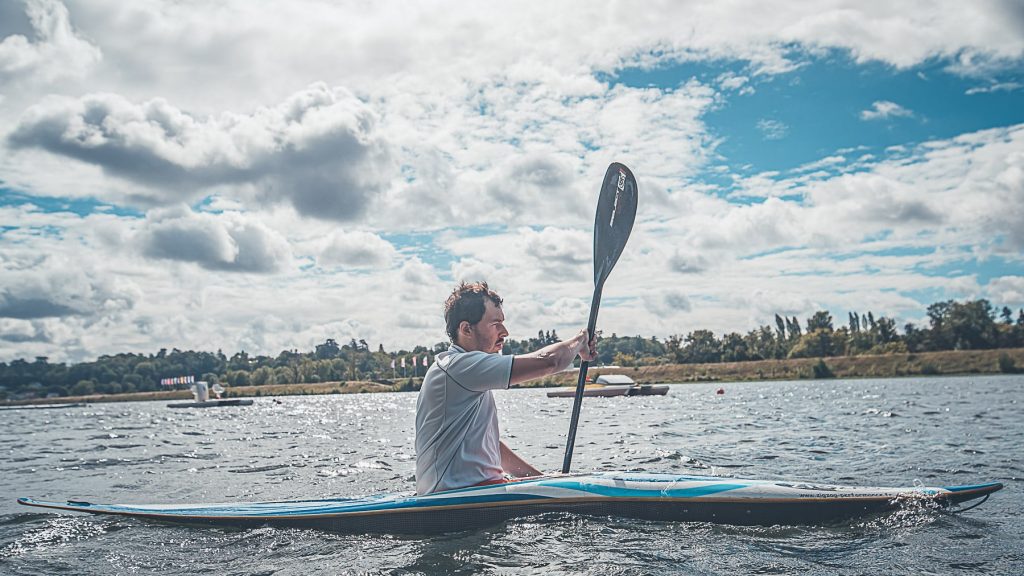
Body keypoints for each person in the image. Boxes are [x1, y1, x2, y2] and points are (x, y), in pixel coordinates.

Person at [415, 281, 598, 495]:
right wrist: (580, 341)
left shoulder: (467, 373)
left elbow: (489, 446)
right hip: (452, 496)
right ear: (466, 329)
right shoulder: (457, 367)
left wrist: (541, 479)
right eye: (495, 324)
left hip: (479, 490)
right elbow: (550, 362)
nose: (505, 332)